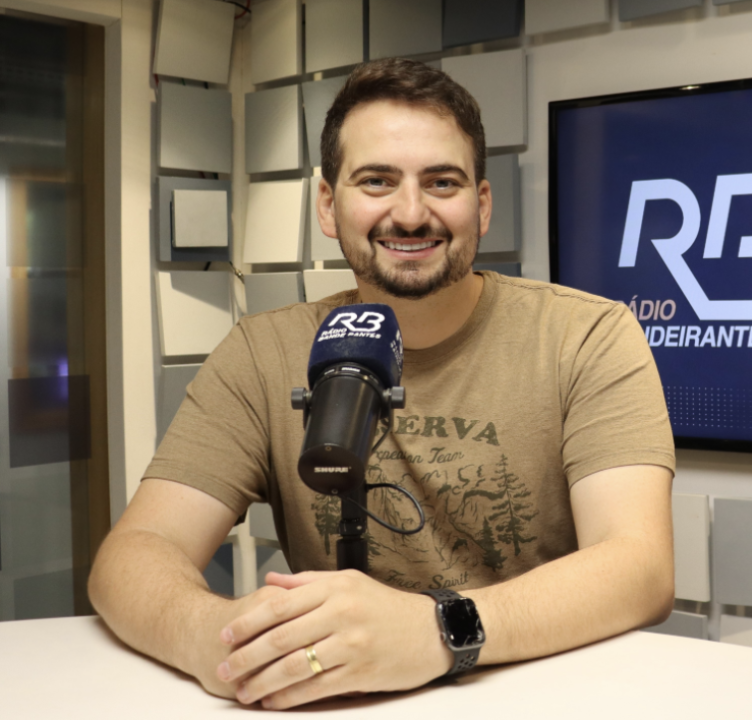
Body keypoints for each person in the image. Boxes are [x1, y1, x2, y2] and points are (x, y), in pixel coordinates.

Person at [88, 58, 676, 711]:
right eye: (376, 180)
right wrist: (218, 640)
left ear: (481, 206)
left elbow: (639, 567)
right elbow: (134, 555)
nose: (411, 212)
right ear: (327, 204)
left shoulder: (586, 336)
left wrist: (438, 631)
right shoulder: (262, 352)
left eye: (442, 182)